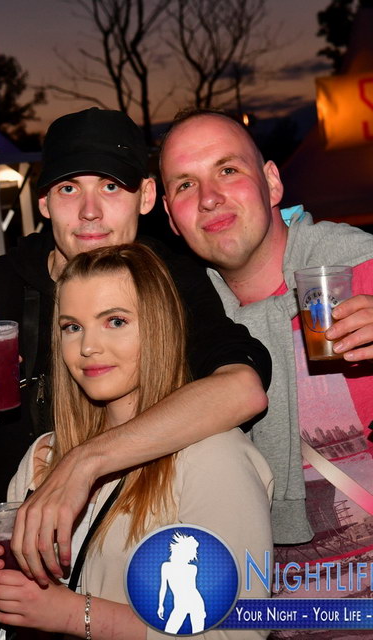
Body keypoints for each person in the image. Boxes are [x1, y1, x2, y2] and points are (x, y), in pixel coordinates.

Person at [0, 108, 271, 638]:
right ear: (43, 203)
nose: (90, 211)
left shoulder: (175, 284)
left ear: (146, 197)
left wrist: (81, 465)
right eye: (68, 189)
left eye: (110, 185)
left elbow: (242, 388)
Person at [0, 244, 273, 639]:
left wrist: (73, 614)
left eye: (115, 321)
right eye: (72, 327)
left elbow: (237, 631)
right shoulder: (45, 456)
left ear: (160, 327)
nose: (88, 347)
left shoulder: (214, 458)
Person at [160, 109, 373, 634]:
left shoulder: (360, 270)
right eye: (186, 184)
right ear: (170, 217)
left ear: (273, 182)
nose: (209, 197)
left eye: (228, 170)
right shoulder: (177, 332)